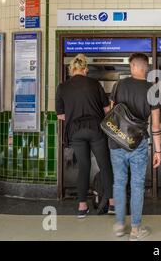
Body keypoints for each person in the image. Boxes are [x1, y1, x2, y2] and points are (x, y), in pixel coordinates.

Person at [110, 53, 161, 240]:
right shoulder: (152, 89)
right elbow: (155, 125)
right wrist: (157, 150)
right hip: (138, 143)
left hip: (116, 142)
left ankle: (119, 225)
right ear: (145, 68)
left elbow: (112, 112)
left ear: (132, 66)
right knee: (137, 184)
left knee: (119, 183)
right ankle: (135, 229)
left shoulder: (119, 85)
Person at [56, 54, 114, 218]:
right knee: (105, 166)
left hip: (76, 131)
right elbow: (107, 110)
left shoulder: (62, 87)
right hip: (96, 129)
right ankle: (112, 204)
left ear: (71, 69)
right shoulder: (95, 84)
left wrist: (74, 114)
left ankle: (82, 207)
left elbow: (60, 115)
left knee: (83, 167)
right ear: (85, 69)